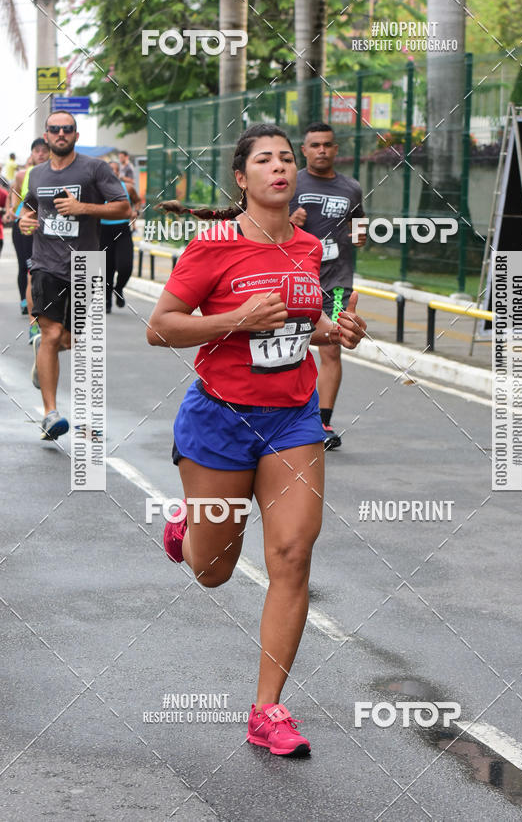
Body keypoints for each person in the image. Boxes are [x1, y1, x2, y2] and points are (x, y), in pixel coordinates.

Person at [148, 124, 366, 756]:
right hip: (221, 418)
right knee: (213, 572)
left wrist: (335, 330)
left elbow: (302, 321)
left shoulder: (307, 246)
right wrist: (236, 319)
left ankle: (267, 710)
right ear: (242, 179)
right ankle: (188, 528)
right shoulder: (213, 246)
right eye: (265, 160)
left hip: (292, 418)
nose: (280, 167)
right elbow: (160, 328)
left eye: (287, 159)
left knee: (293, 555)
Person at [20, 111, 129, 440]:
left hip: (86, 264)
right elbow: (30, 208)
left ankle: (43, 351)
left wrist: (85, 209)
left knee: (74, 341)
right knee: (52, 333)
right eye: (55, 129)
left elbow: (123, 207)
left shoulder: (95, 169)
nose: (61, 133)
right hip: (46, 263)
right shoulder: (36, 174)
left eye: (67, 129)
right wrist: (25, 221)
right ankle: (50, 414)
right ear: (47, 135)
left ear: (76, 135)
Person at [289, 122, 365, 450]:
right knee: (290, 346)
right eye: (315, 145)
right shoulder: (290, 183)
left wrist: (360, 234)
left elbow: (359, 222)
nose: (321, 150)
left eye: (327, 145)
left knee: (332, 345)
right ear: (304, 150)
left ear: (336, 149)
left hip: (336, 282)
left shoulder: (351, 188)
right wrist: (288, 221)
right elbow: (262, 224)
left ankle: (323, 422)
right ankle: (289, 414)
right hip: (295, 280)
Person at [4, 139, 50, 323]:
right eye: (37, 151)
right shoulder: (23, 175)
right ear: (32, 154)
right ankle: (25, 301)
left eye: (44, 150)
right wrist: (12, 211)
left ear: (50, 153)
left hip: (46, 226)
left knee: (40, 267)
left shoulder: (58, 174)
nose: (40, 154)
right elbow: (14, 196)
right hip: (24, 224)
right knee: (26, 265)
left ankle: (42, 304)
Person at [100, 161, 140, 312]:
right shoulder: (98, 189)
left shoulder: (127, 188)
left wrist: (136, 211)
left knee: (125, 266)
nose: (113, 172)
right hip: (103, 232)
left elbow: (137, 201)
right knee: (107, 268)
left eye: (115, 170)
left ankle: (119, 288)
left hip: (122, 230)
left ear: (119, 173)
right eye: (110, 169)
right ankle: (107, 300)